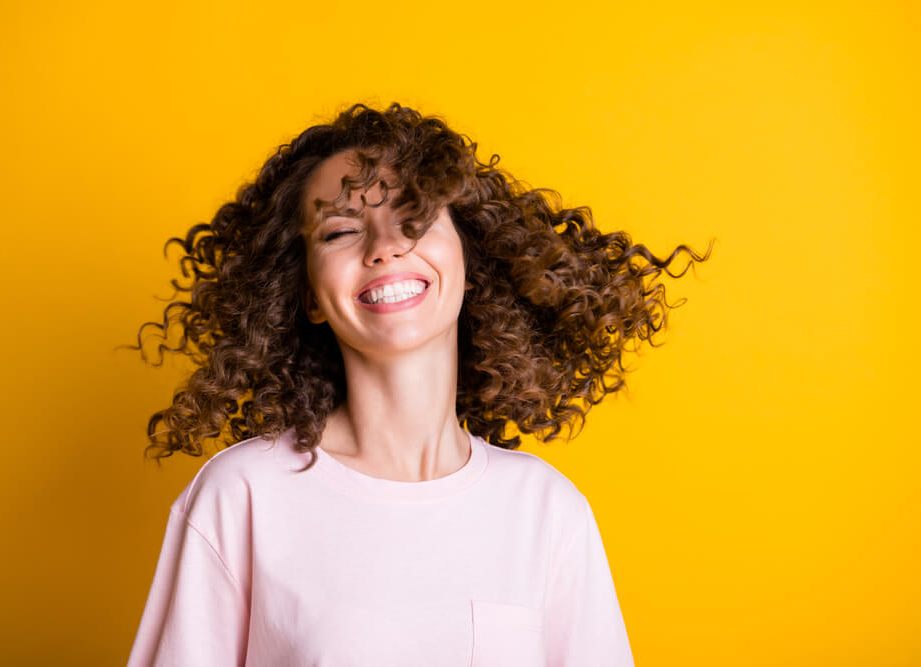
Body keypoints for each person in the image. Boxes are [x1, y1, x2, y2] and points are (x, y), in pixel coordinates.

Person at [123, 102, 712, 666]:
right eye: (338, 232)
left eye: (415, 219)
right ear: (307, 295)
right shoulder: (243, 496)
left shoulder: (546, 510)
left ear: (470, 261)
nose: (385, 248)